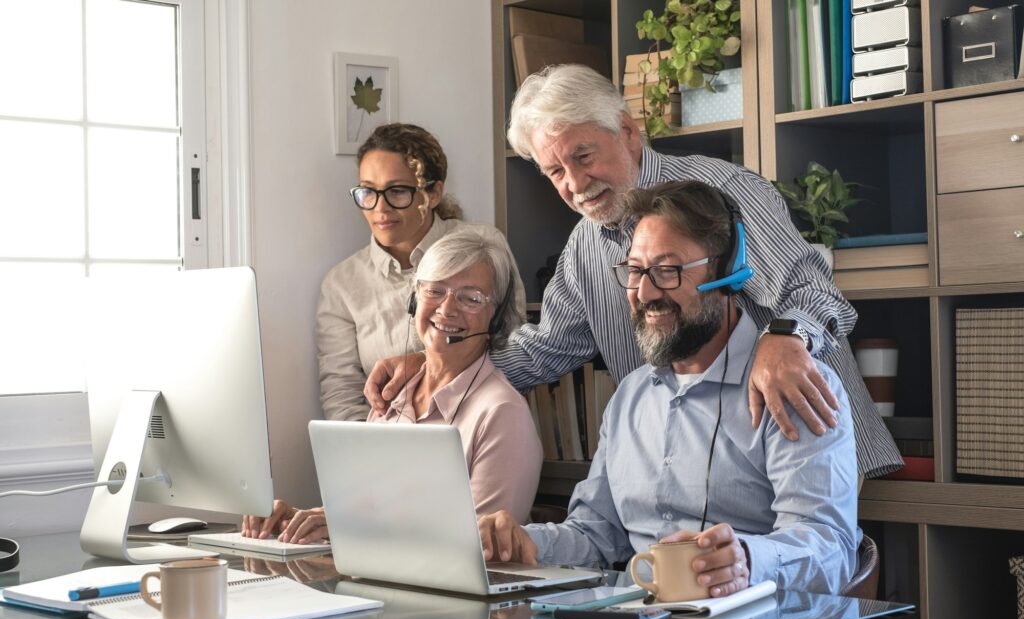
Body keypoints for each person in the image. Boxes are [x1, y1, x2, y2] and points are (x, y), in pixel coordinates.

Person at [366, 64, 900, 479]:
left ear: (627, 132)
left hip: (805, 441)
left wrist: (785, 338)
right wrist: (435, 366)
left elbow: (816, 292)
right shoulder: (582, 249)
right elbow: (543, 351)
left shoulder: (725, 193)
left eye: (583, 155)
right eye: (555, 170)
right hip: (699, 468)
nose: (575, 183)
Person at [477, 181, 860, 596]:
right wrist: (526, 542)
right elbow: (597, 535)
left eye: (666, 270)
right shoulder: (630, 395)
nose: (643, 293)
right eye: (636, 271)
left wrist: (746, 560)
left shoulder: (793, 385)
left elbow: (830, 546)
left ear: (727, 273)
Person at [243, 230, 543, 542]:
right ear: (415, 299)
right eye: (435, 291)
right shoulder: (394, 397)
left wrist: (347, 526)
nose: (446, 309)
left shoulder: (502, 414)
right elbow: (365, 509)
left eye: (471, 298)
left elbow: (479, 549)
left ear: (496, 318)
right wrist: (301, 521)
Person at [317, 122, 524, 422]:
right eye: (368, 192)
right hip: (386, 450)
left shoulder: (483, 248)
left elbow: (515, 348)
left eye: (397, 192)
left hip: (479, 426)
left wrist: (424, 363)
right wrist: (366, 458)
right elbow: (342, 399)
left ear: (434, 193)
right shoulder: (342, 285)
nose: (380, 209)